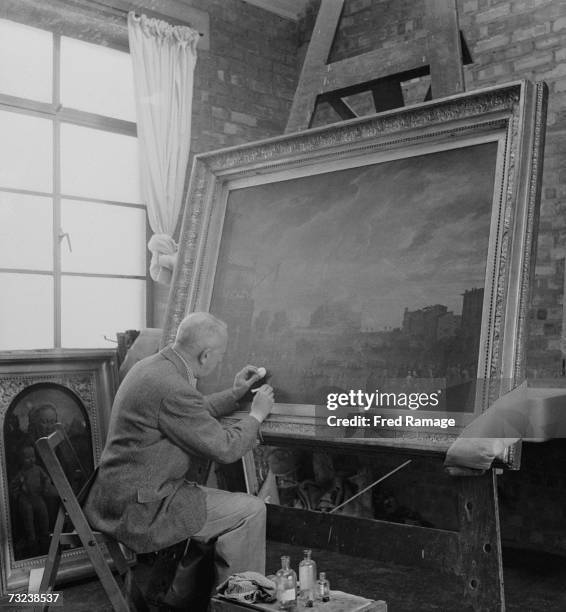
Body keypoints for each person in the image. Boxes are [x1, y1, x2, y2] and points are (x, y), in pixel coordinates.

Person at [84, 312, 274, 596]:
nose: (221, 361)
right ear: (205, 355)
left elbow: (190, 411)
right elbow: (225, 448)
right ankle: (240, 602)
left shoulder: (154, 366)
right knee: (252, 510)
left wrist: (235, 394)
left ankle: (196, 596)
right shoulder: (171, 386)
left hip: (114, 495)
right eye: (220, 355)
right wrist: (256, 416)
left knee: (217, 499)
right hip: (140, 509)